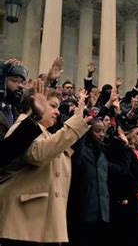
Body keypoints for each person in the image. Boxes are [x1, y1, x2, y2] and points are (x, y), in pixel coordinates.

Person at [0, 84, 90, 245]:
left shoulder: (47, 133)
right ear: (36, 104)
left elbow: (72, 160)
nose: (57, 112)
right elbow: (38, 154)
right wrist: (74, 126)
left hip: (43, 227)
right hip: (22, 226)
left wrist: (78, 125)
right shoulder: (23, 126)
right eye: (53, 106)